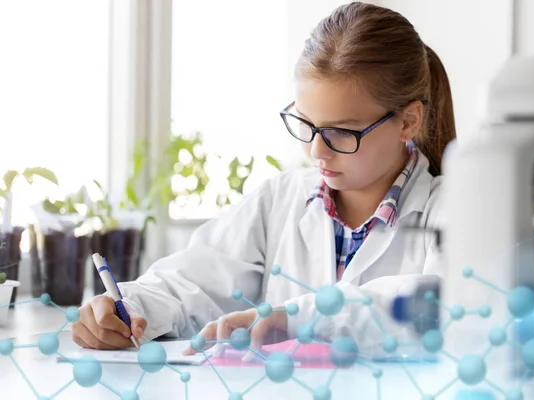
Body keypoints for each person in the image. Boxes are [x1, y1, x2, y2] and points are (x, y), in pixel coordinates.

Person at [72, 1, 456, 358]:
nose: (316, 151)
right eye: (306, 124)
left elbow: (438, 301)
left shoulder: (451, 209)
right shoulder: (280, 199)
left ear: (408, 121)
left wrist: (296, 319)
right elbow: (192, 281)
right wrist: (129, 308)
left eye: (342, 132)